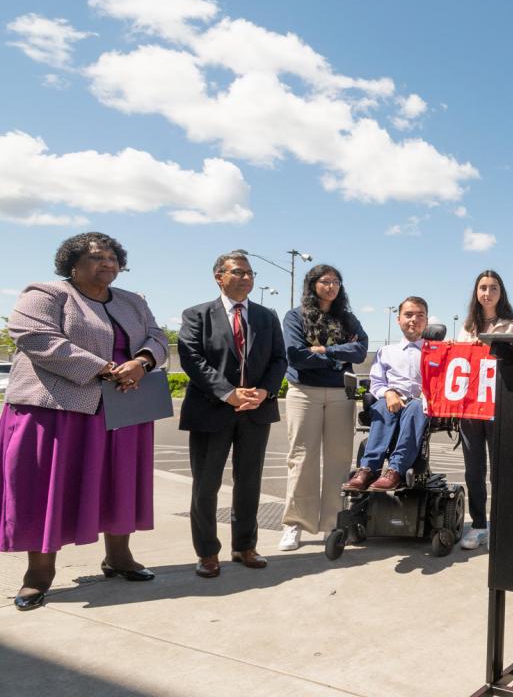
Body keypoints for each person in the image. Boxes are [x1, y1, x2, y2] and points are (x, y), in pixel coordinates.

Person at [0, 233, 167, 610]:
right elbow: (32, 334)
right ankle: (38, 576)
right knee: (48, 489)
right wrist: (103, 368)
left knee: (119, 482)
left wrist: (141, 362)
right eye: (97, 257)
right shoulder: (45, 294)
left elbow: (157, 337)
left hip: (123, 406)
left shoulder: (133, 302)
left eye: (113, 257)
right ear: (72, 263)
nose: (107, 263)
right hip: (58, 408)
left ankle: (119, 558)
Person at [180, 250, 287, 577]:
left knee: (249, 482)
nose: (246, 278)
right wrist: (228, 394)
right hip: (212, 411)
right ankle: (207, 553)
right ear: (219, 277)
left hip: (255, 411)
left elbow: (279, 360)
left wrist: (265, 391)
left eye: (250, 273)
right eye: (238, 272)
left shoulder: (266, 316)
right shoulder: (197, 315)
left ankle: (244, 546)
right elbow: (191, 359)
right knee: (206, 484)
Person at [279, 265, 369, 551]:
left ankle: (334, 523)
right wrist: (338, 356)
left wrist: (324, 351)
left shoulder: (347, 318)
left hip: (342, 392)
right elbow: (296, 355)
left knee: (339, 460)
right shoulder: (296, 316)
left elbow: (360, 349)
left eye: (336, 282)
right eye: (325, 281)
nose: (331, 286)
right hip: (304, 391)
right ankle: (296, 524)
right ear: (313, 284)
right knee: (301, 458)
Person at [456, 270, 513, 550]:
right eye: (483, 287)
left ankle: (502, 523)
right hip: (470, 409)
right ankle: (479, 525)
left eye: (493, 287)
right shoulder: (467, 325)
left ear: (501, 292)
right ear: (476, 292)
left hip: (498, 406)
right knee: (473, 471)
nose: (487, 293)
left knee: (499, 470)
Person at [344, 296, 429, 491]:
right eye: (408, 315)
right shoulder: (386, 351)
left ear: (426, 320)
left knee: (416, 406)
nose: (413, 319)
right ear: (398, 319)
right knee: (382, 404)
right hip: (391, 400)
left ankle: (396, 470)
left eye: (419, 315)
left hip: (420, 403)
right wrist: (389, 392)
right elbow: (376, 383)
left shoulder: (435, 351)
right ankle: (368, 469)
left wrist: (429, 393)